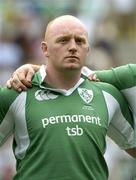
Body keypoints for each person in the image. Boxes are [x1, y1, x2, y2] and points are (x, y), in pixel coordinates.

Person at [0, 15, 135, 180]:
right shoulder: (16, 91)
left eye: (80, 41)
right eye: (63, 41)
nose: (72, 47)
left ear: (88, 49)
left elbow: (132, 146)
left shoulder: (108, 95)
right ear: (45, 49)